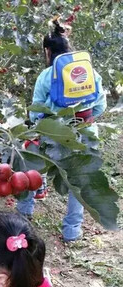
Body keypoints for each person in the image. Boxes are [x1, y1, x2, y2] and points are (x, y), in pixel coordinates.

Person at [17, 18, 107, 242]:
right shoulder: (89, 73)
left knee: (32, 165)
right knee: (78, 180)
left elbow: (35, 113)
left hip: (54, 134)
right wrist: (85, 119)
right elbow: (101, 105)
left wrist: (44, 124)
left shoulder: (46, 76)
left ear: (48, 51)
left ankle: (25, 210)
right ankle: (72, 231)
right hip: (85, 132)